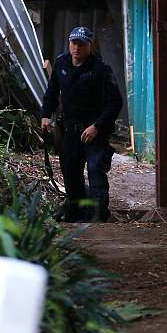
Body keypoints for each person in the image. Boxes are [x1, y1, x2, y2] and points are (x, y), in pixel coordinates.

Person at [40, 26, 123, 222]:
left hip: (95, 131)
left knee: (95, 169)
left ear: (90, 46)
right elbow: (52, 92)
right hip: (71, 129)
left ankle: (98, 215)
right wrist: (45, 115)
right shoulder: (61, 63)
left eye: (82, 44)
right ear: (69, 43)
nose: (77, 48)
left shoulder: (100, 70)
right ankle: (76, 211)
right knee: (70, 171)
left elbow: (115, 102)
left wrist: (97, 126)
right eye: (74, 43)